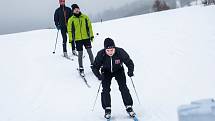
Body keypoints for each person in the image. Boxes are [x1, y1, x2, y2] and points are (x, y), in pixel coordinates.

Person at [91, 38, 135, 119]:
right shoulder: (101, 54)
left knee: (123, 88)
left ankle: (129, 106)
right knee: (105, 89)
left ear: (114, 48)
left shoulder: (120, 52)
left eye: (112, 50)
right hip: (106, 71)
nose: (110, 52)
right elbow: (95, 67)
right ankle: (107, 108)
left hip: (119, 70)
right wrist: (99, 75)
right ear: (105, 50)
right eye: (108, 50)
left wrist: (130, 71)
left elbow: (129, 62)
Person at [67, 4, 94, 76]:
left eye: (77, 8)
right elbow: (70, 30)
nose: (77, 10)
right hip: (78, 40)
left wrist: (91, 35)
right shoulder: (71, 20)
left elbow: (89, 27)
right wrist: (71, 40)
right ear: (73, 11)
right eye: (75, 9)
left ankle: (93, 65)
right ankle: (81, 68)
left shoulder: (85, 17)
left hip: (86, 38)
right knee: (80, 54)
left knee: (90, 52)